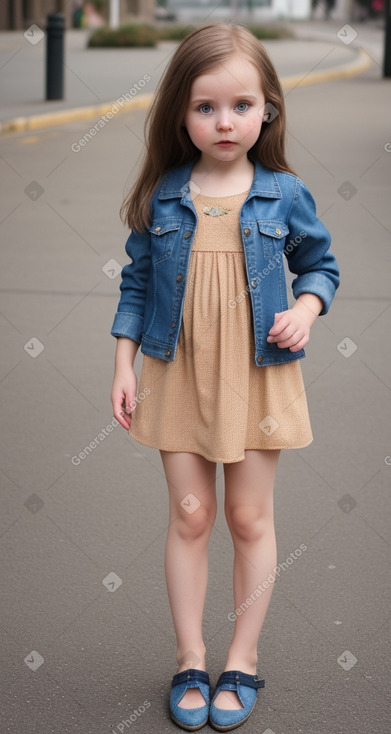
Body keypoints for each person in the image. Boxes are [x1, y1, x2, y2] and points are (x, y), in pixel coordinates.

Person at [110, 22, 339, 732]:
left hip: (258, 374)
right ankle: (189, 657)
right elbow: (137, 283)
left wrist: (305, 308)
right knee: (189, 517)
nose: (224, 120)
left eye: (240, 104)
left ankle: (240, 657)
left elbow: (321, 267)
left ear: (267, 107)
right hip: (175, 371)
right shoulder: (163, 196)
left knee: (246, 517)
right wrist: (122, 363)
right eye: (205, 106)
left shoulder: (283, 194)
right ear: (181, 112)